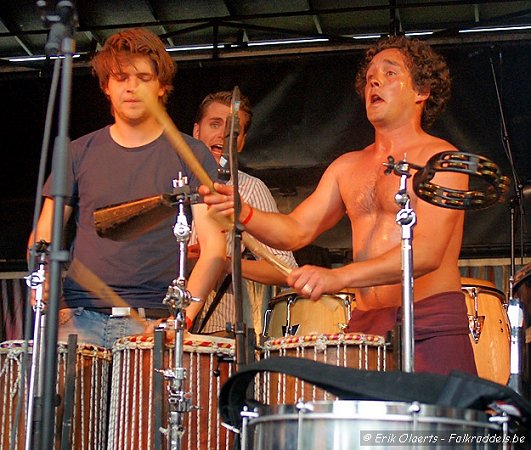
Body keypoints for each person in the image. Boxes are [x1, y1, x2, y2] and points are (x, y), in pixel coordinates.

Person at [200, 35, 477, 376]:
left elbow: (426, 252)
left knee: (438, 414)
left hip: (430, 319)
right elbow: (295, 231)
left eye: (390, 73)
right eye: (370, 77)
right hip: (367, 325)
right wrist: (245, 212)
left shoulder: (442, 160)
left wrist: (337, 277)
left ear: (422, 91)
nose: (374, 81)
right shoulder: (347, 167)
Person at [27, 28, 226, 348]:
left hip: (154, 320)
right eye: (121, 78)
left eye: (143, 78)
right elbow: (43, 238)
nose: (132, 87)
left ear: (161, 86)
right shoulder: (77, 152)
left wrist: (183, 318)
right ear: (106, 86)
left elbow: (214, 248)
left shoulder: (191, 154)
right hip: (79, 317)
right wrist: (45, 285)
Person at [190, 90, 297, 336]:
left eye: (233, 130)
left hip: (217, 332)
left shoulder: (250, 189)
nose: (223, 134)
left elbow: (285, 270)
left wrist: (226, 264)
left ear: (241, 142)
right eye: (215, 124)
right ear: (196, 131)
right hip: (160, 321)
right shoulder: (172, 181)